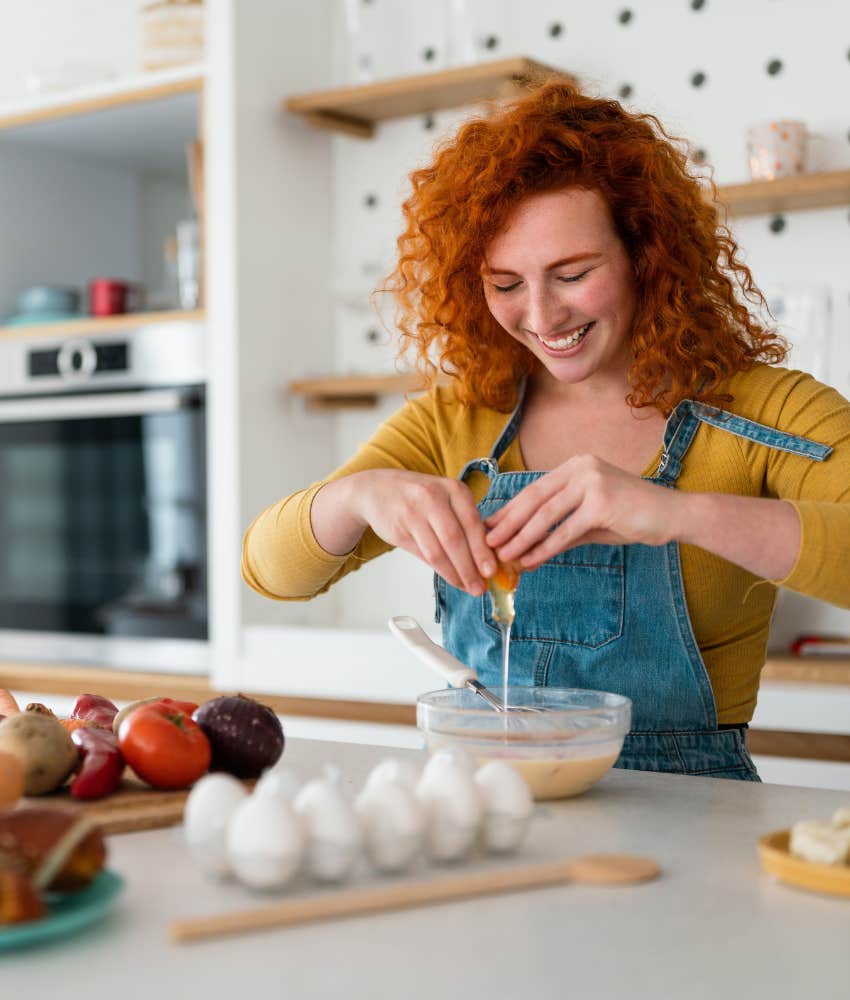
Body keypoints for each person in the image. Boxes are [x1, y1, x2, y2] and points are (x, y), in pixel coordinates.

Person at [243, 81, 850, 780]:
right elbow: (269, 571)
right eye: (505, 284)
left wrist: (676, 512)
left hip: (690, 823)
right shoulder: (461, 415)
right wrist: (356, 499)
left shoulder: (757, 409)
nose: (542, 316)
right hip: (474, 806)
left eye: (572, 274)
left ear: (646, 256)